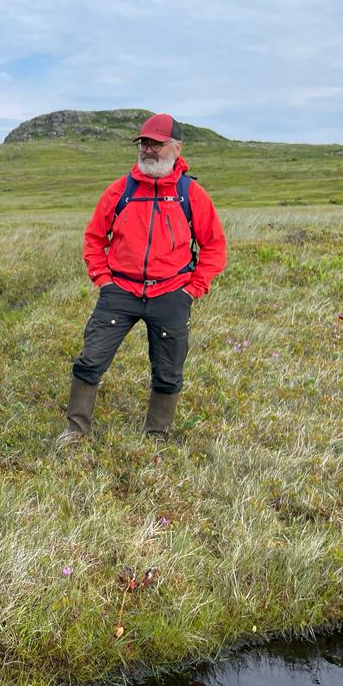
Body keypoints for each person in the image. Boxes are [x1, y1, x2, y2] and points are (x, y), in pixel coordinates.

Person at [57, 113, 227, 444]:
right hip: (119, 290)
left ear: (177, 147)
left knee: (168, 370)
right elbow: (94, 238)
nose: (148, 150)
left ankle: (157, 436)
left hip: (171, 294)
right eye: (143, 143)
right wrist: (103, 280)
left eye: (156, 144)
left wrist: (191, 290)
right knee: (90, 360)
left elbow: (214, 247)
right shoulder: (120, 190)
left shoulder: (190, 194)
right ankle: (77, 431)